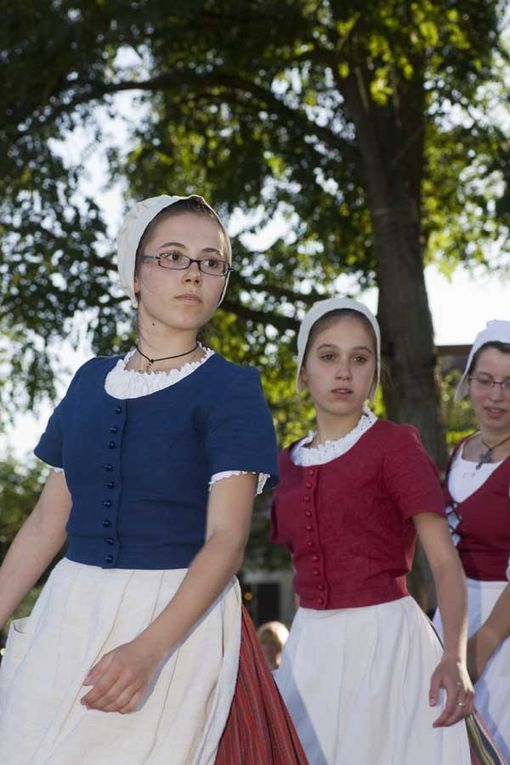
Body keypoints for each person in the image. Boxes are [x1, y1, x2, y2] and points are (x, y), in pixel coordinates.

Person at [0, 194, 307, 765]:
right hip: (70, 610)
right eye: (173, 256)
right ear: (134, 276)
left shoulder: (230, 388)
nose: (194, 271)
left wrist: (148, 650)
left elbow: (226, 540)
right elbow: (47, 522)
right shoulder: (89, 382)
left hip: (175, 618)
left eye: (211, 261)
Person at [270, 296, 474, 765]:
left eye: (359, 359)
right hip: (310, 648)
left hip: (386, 645)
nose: (343, 372)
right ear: (304, 371)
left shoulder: (393, 445)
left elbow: (444, 563)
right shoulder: (285, 463)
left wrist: (454, 657)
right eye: (328, 356)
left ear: (374, 373)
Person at [433, 320, 510, 761]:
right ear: (469, 383)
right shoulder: (458, 452)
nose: (495, 395)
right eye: (485, 380)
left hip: (501, 628)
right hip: (453, 618)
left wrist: (482, 647)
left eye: (508, 383)